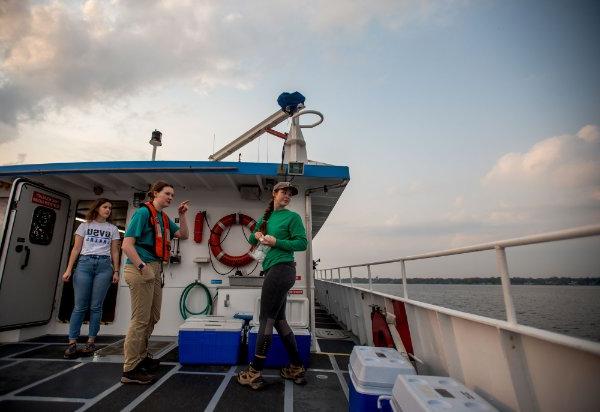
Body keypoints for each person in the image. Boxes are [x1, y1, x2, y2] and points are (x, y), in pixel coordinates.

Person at [237, 181, 308, 390]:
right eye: (284, 192)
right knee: (278, 320)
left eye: (290, 194)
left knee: (265, 319)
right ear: (274, 194)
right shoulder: (266, 217)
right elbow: (251, 237)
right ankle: (296, 367)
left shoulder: (292, 217)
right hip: (275, 270)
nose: (287, 196)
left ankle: (255, 371)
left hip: (281, 269)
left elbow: (302, 243)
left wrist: (276, 242)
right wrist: (257, 234)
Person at [121, 181, 189, 384]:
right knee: (140, 320)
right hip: (140, 267)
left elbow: (183, 235)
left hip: (155, 269)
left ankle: (141, 357)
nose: (170, 197)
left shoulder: (164, 217)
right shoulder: (143, 214)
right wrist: (143, 267)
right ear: (155, 194)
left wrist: (183, 214)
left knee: (153, 317)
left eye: (172, 195)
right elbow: (126, 244)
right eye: (167, 193)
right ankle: (130, 369)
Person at [62, 198, 121, 359]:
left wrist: (116, 271)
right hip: (84, 264)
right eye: (105, 207)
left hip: (104, 266)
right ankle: (72, 343)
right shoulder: (84, 225)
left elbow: (115, 251)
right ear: (97, 208)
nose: (108, 210)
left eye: (110, 207)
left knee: (96, 306)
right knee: (80, 305)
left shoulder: (113, 228)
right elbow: (76, 248)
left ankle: (91, 341)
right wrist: (68, 269)